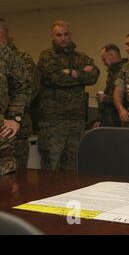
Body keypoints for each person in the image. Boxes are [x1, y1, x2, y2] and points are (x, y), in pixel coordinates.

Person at [38, 21, 99, 171]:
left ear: (70, 35)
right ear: (52, 36)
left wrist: (71, 72)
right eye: (59, 35)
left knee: (73, 165)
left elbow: (94, 76)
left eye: (66, 34)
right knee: (51, 164)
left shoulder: (81, 56)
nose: (63, 38)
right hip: (54, 121)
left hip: (76, 120)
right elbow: (55, 78)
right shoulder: (46, 56)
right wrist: (80, 73)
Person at [0, 19, 40, 168]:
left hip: (6, 130)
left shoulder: (9, 56)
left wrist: (14, 117)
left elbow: (25, 88)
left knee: (12, 180)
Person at [92, 44, 128, 128]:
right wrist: (99, 119)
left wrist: (105, 98)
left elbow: (126, 99)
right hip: (109, 121)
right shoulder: (112, 72)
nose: (104, 63)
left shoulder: (126, 70)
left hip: (121, 121)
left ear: (112, 55)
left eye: (104, 59)